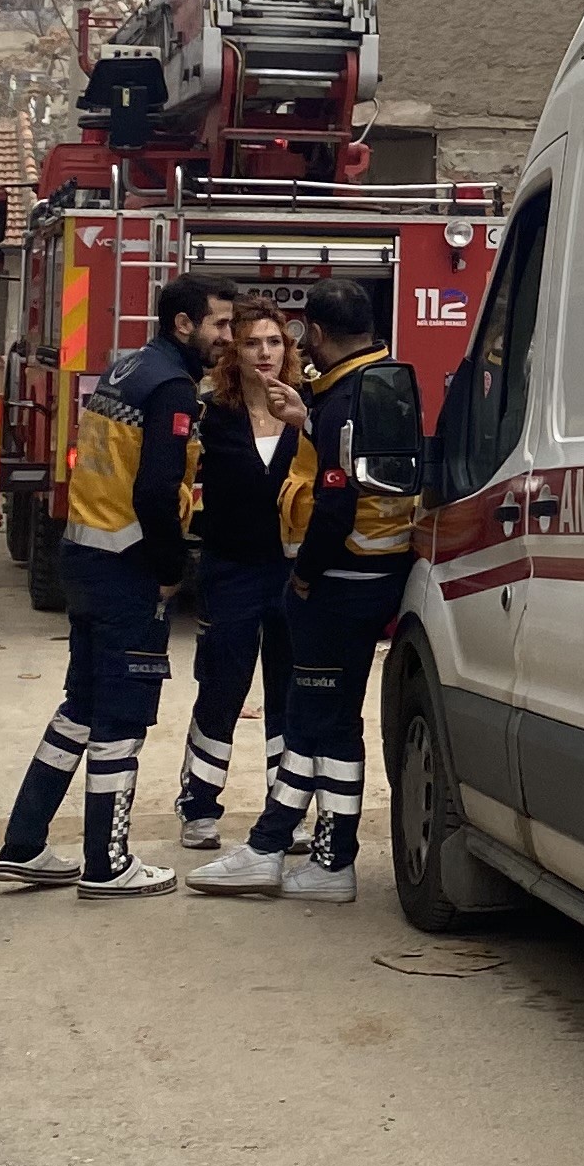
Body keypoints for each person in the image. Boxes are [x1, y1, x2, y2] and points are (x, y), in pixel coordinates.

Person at [189, 270, 423, 902]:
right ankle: (309, 853)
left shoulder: (342, 397)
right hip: (381, 574)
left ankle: (288, 851)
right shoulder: (387, 382)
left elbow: (336, 505)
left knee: (317, 717)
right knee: (327, 718)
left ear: (313, 334)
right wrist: (310, 420)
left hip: (338, 582)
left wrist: (303, 575)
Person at [0, 271, 225, 897]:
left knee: (82, 707)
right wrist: (172, 570)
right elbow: (155, 490)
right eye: (219, 325)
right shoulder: (173, 387)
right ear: (185, 324)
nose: (225, 338)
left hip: (85, 554)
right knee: (122, 717)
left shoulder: (126, 369)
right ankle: (108, 863)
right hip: (128, 567)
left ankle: (25, 844)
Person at [174, 297, 297, 859]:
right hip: (229, 570)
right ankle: (199, 806)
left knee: (288, 695)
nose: (265, 353)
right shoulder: (210, 412)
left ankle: (285, 809)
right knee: (222, 687)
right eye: (252, 342)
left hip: (290, 572)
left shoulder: (304, 410)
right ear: (235, 352)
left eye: (274, 342)